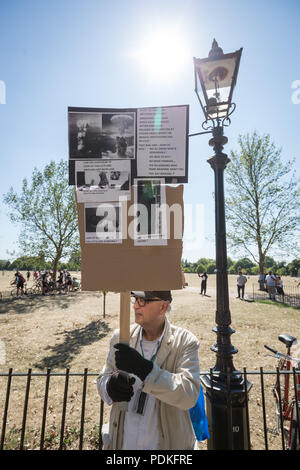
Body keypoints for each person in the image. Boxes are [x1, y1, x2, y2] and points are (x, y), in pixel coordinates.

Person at [97, 290, 201, 450]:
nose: (135, 306)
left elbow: (189, 395)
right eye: (135, 299)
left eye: (143, 300)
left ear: (163, 307)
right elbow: (102, 379)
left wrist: (145, 370)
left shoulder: (185, 342)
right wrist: (109, 386)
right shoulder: (121, 337)